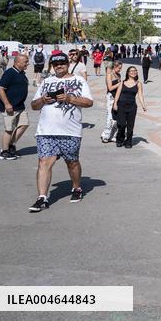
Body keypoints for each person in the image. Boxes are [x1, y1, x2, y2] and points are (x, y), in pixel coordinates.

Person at [28, 53, 94, 212]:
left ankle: (76, 187)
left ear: (68, 64)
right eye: (55, 63)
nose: (59, 66)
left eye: (62, 63)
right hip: (46, 131)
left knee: (72, 162)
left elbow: (89, 102)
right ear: (52, 65)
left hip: (70, 131)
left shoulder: (79, 80)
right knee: (44, 162)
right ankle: (42, 198)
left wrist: (69, 98)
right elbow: (33, 106)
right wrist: (43, 100)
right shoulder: (46, 82)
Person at [0, 54, 30, 160]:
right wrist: (7, 104)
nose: (27, 63)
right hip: (10, 107)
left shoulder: (21, 73)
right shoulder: (9, 73)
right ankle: (4, 151)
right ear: (17, 62)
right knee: (9, 129)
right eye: (25, 61)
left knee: (24, 124)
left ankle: (11, 145)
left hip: (20, 106)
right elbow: (0, 89)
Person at [112, 66, 147, 147]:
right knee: (122, 124)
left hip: (132, 107)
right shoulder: (122, 82)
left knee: (130, 125)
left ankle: (128, 142)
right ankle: (120, 139)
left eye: (135, 71)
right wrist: (115, 104)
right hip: (121, 105)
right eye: (131, 71)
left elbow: (140, 96)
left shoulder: (138, 84)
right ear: (128, 73)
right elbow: (117, 94)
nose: (133, 72)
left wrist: (143, 105)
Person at [100, 61, 123, 143]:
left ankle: (113, 135)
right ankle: (105, 135)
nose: (120, 70)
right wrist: (120, 84)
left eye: (121, 68)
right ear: (114, 67)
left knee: (117, 118)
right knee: (110, 117)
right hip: (110, 97)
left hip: (117, 97)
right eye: (119, 68)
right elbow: (110, 88)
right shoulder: (109, 75)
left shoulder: (118, 75)